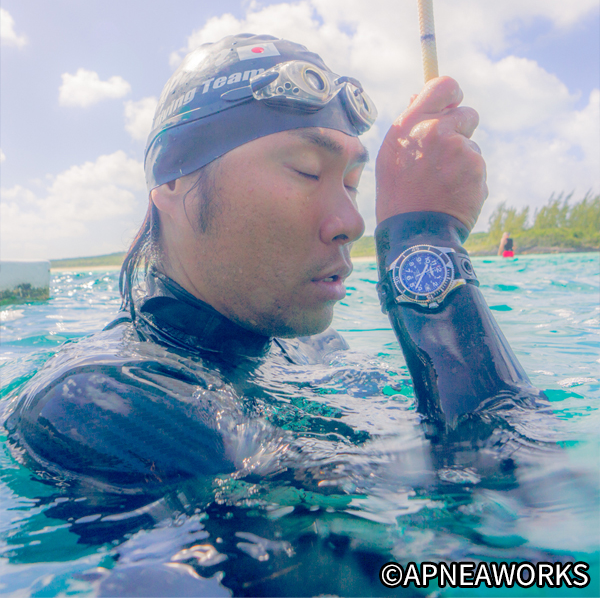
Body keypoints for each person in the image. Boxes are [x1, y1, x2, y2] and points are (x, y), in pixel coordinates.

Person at [4, 34, 544, 594]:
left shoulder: (314, 350)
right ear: (173, 182)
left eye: (353, 184)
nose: (353, 223)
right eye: (307, 171)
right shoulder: (103, 399)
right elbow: (512, 542)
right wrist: (423, 239)